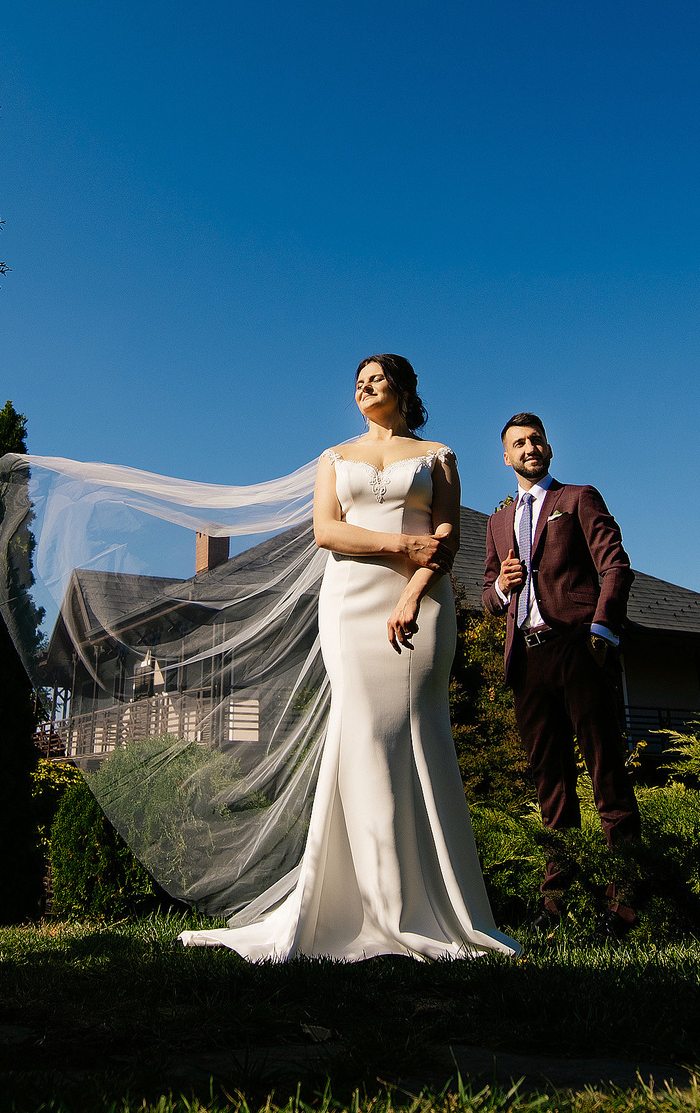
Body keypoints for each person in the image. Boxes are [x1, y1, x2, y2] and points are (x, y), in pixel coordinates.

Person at [180, 354, 520, 962]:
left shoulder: (438, 454)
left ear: (404, 388)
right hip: (349, 603)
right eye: (358, 381)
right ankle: (365, 904)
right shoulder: (333, 459)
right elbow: (326, 532)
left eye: (377, 378)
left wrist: (414, 590)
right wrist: (397, 543)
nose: (364, 386)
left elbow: (448, 538)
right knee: (361, 735)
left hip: (422, 600)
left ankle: (434, 908)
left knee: (420, 734)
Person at [483, 411, 640, 934]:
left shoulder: (577, 499)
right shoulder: (497, 520)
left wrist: (601, 630)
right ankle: (557, 906)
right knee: (551, 785)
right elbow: (487, 595)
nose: (528, 448)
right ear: (505, 457)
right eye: (518, 444)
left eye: (535, 440)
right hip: (526, 660)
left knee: (606, 776)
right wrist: (503, 587)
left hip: (578, 648)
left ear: (548, 448)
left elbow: (615, 565)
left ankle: (625, 904)